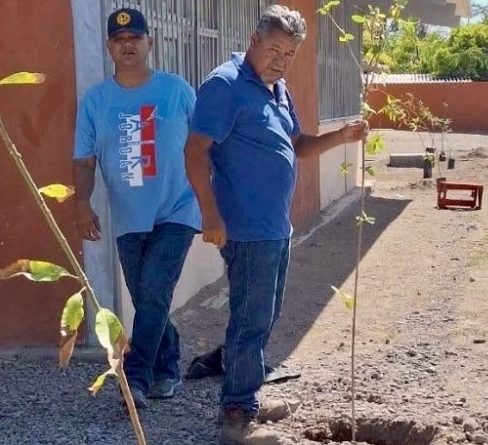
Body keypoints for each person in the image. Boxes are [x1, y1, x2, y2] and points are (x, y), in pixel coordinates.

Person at [183, 5, 368, 444]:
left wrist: (341, 137)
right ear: (253, 40)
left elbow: (298, 144)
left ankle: (246, 394)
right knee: (250, 320)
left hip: (275, 227)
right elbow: (195, 151)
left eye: (289, 54)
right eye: (274, 49)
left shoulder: (277, 90)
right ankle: (236, 418)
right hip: (245, 229)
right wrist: (210, 214)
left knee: (264, 316)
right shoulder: (226, 85)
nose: (280, 60)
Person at [73, 7, 200, 409]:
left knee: (154, 293)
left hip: (178, 209)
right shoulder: (95, 101)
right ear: (109, 47)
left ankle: (135, 379)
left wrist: (216, 201)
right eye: (119, 40)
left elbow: (203, 146)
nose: (127, 45)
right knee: (148, 298)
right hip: (128, 217)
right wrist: (81, 202)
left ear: (150, 42)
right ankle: (168, 366)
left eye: (135, 39)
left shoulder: (177, 90)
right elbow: (84, 161)